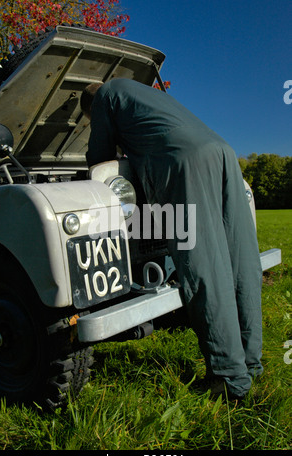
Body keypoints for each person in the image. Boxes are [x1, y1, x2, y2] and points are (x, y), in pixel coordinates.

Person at [80, 78, 263, 399]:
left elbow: (100, 159)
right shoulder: (143, 92)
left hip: (182, 164)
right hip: (223, 153)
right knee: (242, 260)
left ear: (89, 106)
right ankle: (251, 361)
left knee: (203, 267)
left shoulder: (103, 97)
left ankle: (230, 378)